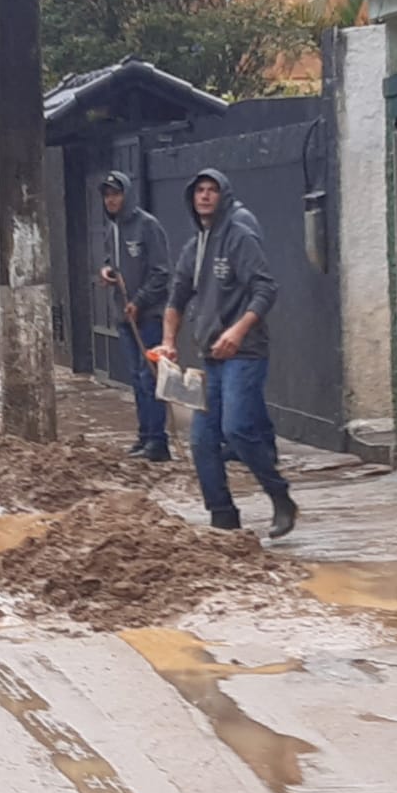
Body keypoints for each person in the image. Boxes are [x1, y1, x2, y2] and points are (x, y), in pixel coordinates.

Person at [157, 168, 298, 539]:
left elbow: (266, 289)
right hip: (210, 358)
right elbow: (176, 298)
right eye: (199, 191)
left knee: (236, 430)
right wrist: (169, 340)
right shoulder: (194, 246)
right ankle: (223, 518)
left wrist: (238, 330)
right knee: (201, 441)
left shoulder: (239, 237)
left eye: (212, 190)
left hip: (245, 353)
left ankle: (280, 496)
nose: (204, 196)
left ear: (224, 195)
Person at [98, 171, 171, 462]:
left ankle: (158, 441)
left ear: (127, 195)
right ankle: (145, 436)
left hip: (148, 317)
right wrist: (106, 271)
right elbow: (110, 261)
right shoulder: (111, 229)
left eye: (115, 193)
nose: (111, 199)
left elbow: (161, 273)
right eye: (107, 194)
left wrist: (139, 302)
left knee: (149, 377)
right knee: (136, 379)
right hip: (124, 317)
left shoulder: (148, 226)